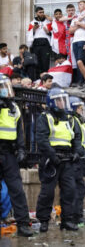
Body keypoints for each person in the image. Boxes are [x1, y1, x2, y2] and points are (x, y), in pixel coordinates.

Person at [36, 88, 82, 232]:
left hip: (67, 159)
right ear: (52, 102)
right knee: (47, 192)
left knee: (70, 191)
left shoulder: (69, 118)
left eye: (64, 100)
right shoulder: (45, 117)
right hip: (51, 159)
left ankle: (67, 221)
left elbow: (77, 138)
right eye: (59, 100)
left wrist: (76, 152)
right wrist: (52, 156)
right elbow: (42, 139)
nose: (62, 103)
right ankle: (43, 221)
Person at [0, 73, 33, 236]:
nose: (6, 91)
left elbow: (20, 133)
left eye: (6, 88)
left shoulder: (14, 108)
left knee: (17, 189)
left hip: (8, 152)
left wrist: (21, 149)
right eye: (2, 88)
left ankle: (22, 224)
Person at [68, 96, 85, 224]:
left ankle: (76, 215)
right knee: (78, 187)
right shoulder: (73, 120)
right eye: (79, 108)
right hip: (77, 158)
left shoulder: (79, 120)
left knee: (80, 187)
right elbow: (76, 141)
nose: (81, 110)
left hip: (81, 158)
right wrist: (82, 153)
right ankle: (75, 216)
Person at [69, 0, 85, 88]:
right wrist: (78, 25)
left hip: (83, 40)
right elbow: (70, 31)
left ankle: (84, 81)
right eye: (78, 5)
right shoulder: (75, 17)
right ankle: (80, 80)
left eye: (81, 4)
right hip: (75, 41)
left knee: (81, 61)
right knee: (77, 61)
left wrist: (79, 23)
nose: (79, 6)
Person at [26, 7, 52, 78]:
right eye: (40, 12)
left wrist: (48, 32)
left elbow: (52, 33)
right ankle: (37, 78)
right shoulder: (32, 23)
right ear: (36, 13)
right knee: (36, 62)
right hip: (36, 44)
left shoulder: (48, 22)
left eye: (43, 12)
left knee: (45, 61)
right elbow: (28, 34)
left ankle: (46, 78)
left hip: (45, 44)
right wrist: (33, 29)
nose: (42, 14)